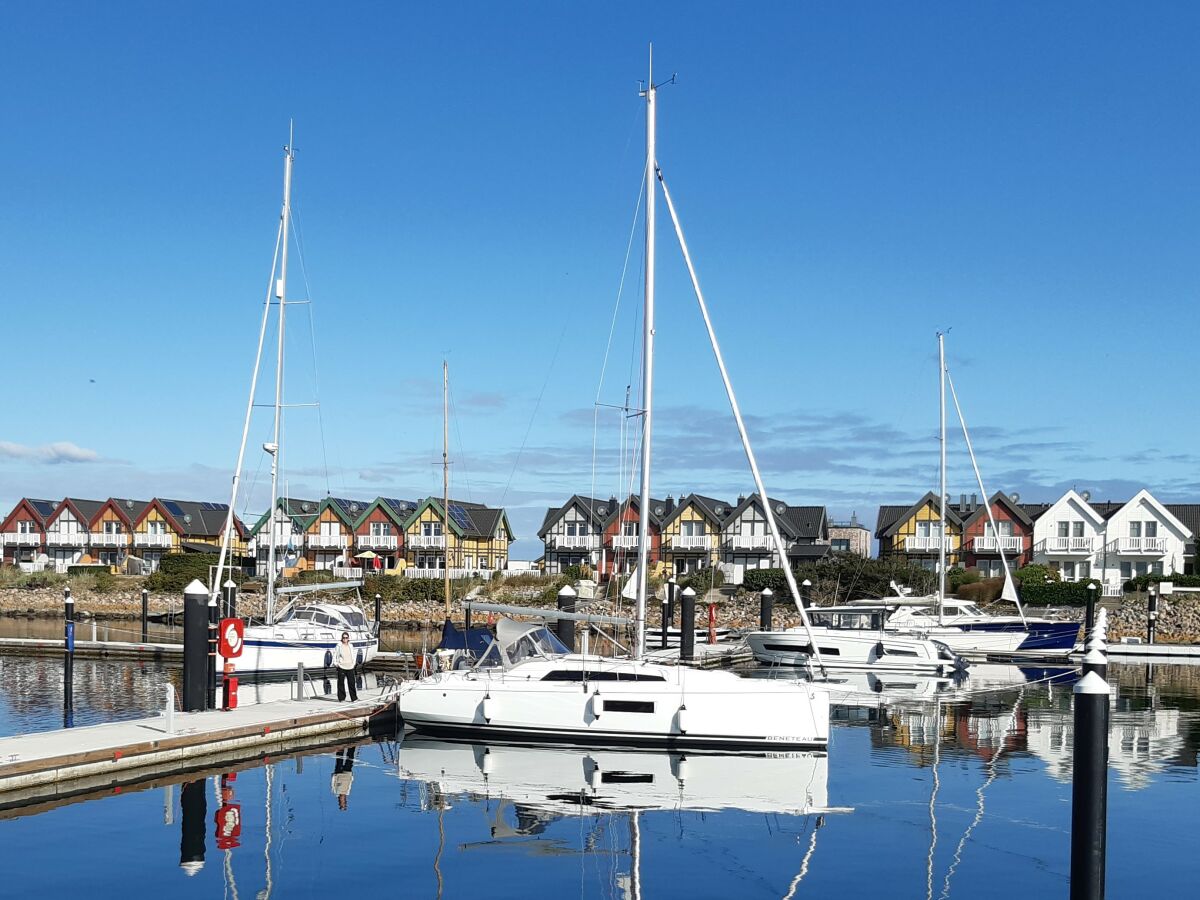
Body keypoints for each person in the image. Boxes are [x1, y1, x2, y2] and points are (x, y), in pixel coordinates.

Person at [334, 632, 358, 702]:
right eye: (344, 638)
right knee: (341, 683)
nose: (345, 639)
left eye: (346, 638)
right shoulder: (339, 645)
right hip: (342, 666)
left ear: (348, 638)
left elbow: (353, 655)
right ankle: (341, 698)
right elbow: (335, 655)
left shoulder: (351, 645)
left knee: (352, 683)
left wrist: (353, 663)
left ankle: (354, 698)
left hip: (350, 667)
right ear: (342, 638)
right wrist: (336, 663)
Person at [331, 746, 356, 811]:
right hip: (347, 775)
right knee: (350, 759)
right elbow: (349, 784)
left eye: (342, 803)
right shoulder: (347, 792)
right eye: (344, 802)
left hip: (338, 774)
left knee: (339, 760)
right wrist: (351, 777)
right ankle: (352, 746)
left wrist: (334, 776)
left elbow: (333, 783)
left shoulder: (335, 792)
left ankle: (340, 747)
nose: (342, 800)